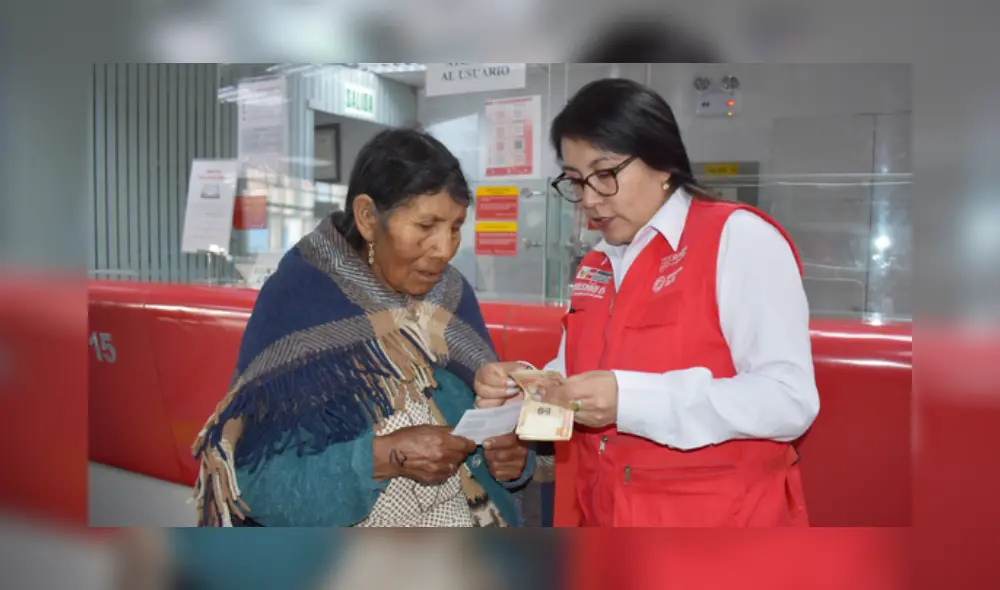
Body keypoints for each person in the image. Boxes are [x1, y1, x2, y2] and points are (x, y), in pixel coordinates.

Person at [474, 78, 820, 527]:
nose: (590, 200)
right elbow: (570, 385)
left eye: (605, 174)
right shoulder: (597, 262)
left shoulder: (738, 239)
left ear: (662, 163)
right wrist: (519, 390)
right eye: (576, 181)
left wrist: (632, 401)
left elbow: (789, 400)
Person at [192, 128, 534, 528]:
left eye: (456, 227)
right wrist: (383, 457)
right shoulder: (302, 303)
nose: (444, 249)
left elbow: (501, 454)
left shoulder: (450, 295)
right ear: (368, 218)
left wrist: (513, 461)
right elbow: (257, 487)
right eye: (426, 225)